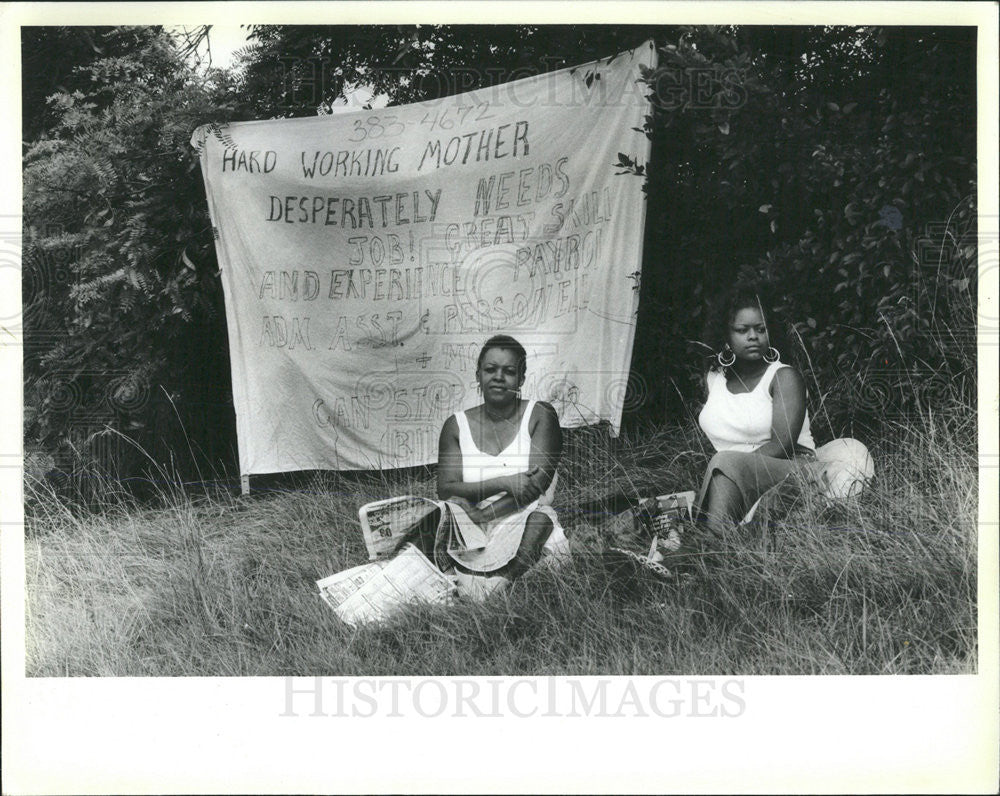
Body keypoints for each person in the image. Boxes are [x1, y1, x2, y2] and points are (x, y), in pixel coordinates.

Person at [436, 334, 570, 598]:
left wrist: (486, 513)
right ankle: (470, 583)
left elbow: (535, 487)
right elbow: (446, 489)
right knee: (438, 516)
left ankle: (503, 583)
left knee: (539, 520)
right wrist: (505, 482)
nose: (499, 377)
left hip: (522, 520)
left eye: (509, 371)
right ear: (478, 375)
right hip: (469, 523)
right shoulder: (456, 425)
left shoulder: (540, 415)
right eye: (490, 369)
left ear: (520, 379)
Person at [695, 287, 821, 534]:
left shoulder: (784, 376)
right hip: (731, 474)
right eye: (742, 330)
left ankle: (709, 545)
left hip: (791, 468)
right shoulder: (714, 379)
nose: (753, 336)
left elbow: (783, 445)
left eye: (761, 329)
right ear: (726, 337)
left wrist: (730, 467)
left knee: (724, 462)